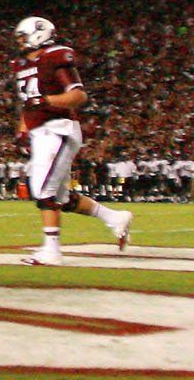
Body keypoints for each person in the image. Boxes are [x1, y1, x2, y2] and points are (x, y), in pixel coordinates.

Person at [11, 16, 132, 264]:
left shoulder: (56, 57)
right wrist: (23, 130)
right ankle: (114, 217)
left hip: (59, 129)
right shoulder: (23, 65)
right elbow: (28, 103)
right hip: (41, 132)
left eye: (24, 36)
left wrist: (47, 101)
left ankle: (52, 251)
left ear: (39, 34)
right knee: (62, 198)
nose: (21, 42)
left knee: (44, 189)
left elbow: (78, 96)